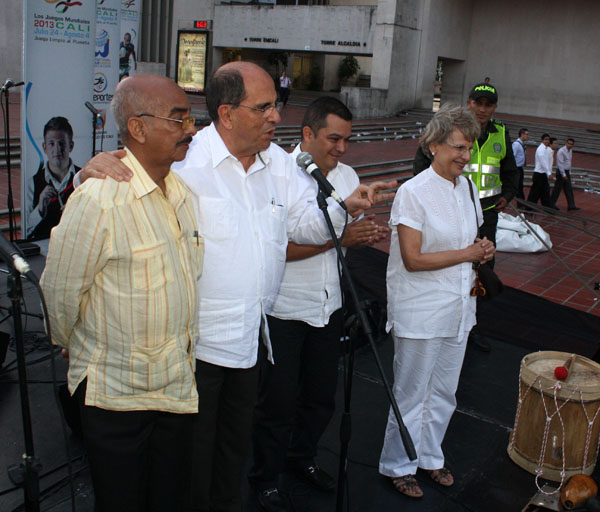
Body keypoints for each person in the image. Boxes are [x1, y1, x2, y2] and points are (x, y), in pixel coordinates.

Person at [77, 61, 394, 512]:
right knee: (191, 465)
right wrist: (87, 172)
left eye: (275, 105)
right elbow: (118, 185)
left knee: (232, 455)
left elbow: (304, 225)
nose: (276, 116)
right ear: (226, 114)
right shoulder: (186, 159)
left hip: (250, 341)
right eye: (263, 107)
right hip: (194, 348)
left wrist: (344, 206)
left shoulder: (279, 164)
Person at [40, 74, 203, 512]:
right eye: (179, 119)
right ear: (138, 128)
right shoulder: (99, 200)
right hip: (117, 398)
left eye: (190, 118)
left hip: (176, 389)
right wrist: (75, 344)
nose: (190, 128)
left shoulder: (181, 193)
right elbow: (59, 292)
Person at [248, 96, 389, 512]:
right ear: (307, 133)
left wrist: (363, 233)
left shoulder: (348, 176)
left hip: (329, 305)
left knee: (321, 398)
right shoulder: (278, 175)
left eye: (347, 140)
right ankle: (265, 478)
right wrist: (340, 238)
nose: (342, 149)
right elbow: (278, 249)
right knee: (276, 404)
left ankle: (301, 458)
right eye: (333, 139)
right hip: (285, 308)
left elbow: (347, 233)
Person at [379, 104, 495, 499]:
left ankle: (429, 456)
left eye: (469, 147)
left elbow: (469, 240)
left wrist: (483, 248)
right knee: (411, 393)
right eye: (459, 147)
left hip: (458, 308)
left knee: (445, 391)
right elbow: (412, 259)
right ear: (433, 146)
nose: (466, 155)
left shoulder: (467, 188)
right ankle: (398, 464)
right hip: (421, 309)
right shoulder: (413, 193)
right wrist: (468, 253)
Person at [413, 82, 518, 351]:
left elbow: (511, 170)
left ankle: (471, 325)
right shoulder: (449, 129)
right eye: (477, 103)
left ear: (495, 107)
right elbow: (422, 165)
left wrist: (508, 194)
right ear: (469, 102)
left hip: (486, 214)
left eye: (488, 105)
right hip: (451, 211)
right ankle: (441, 319)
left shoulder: (500, 133)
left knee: (482, 269)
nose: (482, 109)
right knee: (448, 262)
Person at [26, 116, 79, 240]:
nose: (57, 149)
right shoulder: (32, 183)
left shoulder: (83, 177)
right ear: (44, 147)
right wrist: (40, 209)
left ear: (71, 146)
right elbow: (26, 230)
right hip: (43, 246)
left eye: (62, 143)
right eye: (51, 144)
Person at [527, 133, 557, 209]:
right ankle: (529, 207)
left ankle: (547, 208)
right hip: (539, 174)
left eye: (548, 139)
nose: (547, 141)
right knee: (535, 193)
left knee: (545, 192)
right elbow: (543, 162)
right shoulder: (541, 149)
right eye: (545, 139)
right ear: (542, 140)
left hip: (543, 174)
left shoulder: (546, 149)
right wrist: (549, 173)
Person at [551, 138, 579, 211]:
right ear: (566, 143)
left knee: (568, 189)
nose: (570, 145)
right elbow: (560, 164)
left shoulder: (570, 151)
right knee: (557, 189)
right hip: (561, 172)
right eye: (568, 143)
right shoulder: (561, 151)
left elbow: (569, 161)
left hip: (566, 171)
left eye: (571, 144)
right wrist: (563, 174)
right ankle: (551, 204)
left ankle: (571, 205)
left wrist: (569, 172)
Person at [512, 128, 529, 200]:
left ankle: (521, 200)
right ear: (522, 134)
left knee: (520, 186)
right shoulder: (516, 144)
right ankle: (520, 201)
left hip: (520, 168)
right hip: (516, 168)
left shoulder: (521, 144)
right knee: (518, 186)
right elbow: (513, 156)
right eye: (526, 134)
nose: (527, 136)